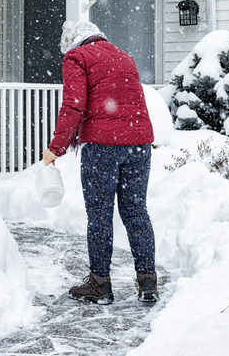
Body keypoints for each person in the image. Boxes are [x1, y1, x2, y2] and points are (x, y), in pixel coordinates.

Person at [42, 20, 158, 304]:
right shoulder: (123, 55)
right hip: (138, 143)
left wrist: (56, 148)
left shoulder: (76, 57)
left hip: (102, 145)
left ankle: (100, 283)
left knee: (100, 214)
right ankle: (147, 281)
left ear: (71, 42)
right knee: (136, 211)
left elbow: (74, 105)